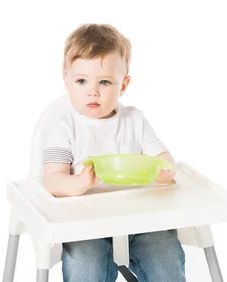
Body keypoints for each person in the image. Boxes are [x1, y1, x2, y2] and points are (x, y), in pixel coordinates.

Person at [42, 23, 185, 281]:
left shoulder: (135, 121)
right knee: (84, 267)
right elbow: (52, 179)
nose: (92, 91)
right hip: (86, 223)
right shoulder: (65, 128)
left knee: (166, 261)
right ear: (66, 82)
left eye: (105, 81)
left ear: (124, 85)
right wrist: (77, 183)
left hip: (141, 219)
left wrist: (165, 171)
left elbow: (164, 160)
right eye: (81, 81)